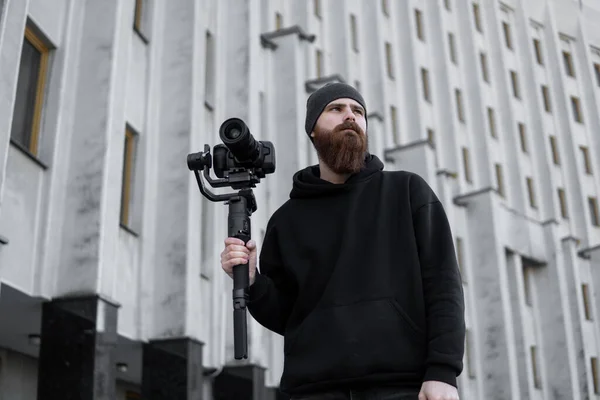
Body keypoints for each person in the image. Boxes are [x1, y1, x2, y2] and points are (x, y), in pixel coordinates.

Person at [221, 83, 465, 400]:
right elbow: (288, 316)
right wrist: (253, 281)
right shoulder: (286, 220)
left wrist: (443, 372)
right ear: (312, 131)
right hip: (312, 391)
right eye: (336, 109)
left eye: (358, 111)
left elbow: (444, 286)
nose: (350, 116)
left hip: (402, 387)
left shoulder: (407, 192)